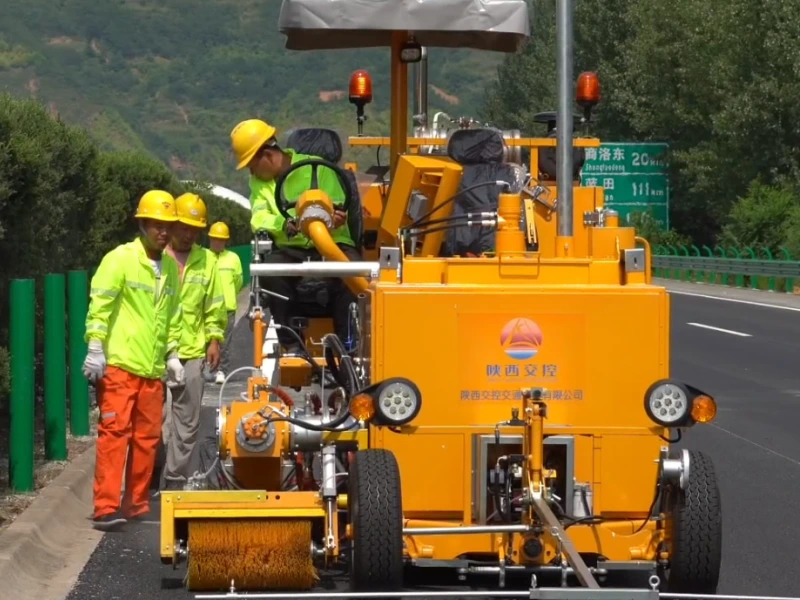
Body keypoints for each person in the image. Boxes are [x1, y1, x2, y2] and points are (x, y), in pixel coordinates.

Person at [82, 190, 184, 531]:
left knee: (147, 440)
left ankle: (136, 504)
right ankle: (106, 507)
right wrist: (95, 348)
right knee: (114, 435)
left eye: (168, 225)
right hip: (120, 367)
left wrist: (172, 353)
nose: (163, 232)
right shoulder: (120, 259)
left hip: (152, 371)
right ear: (142, 224)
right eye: (156, 225)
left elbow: (170, 316)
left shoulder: (169, 266)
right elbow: (100, 306)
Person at [229, 118, 359, 353]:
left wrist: (337, 217)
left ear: (267, 155)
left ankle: (346, 346)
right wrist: (284, 224)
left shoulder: (319, 168)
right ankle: (292, 344)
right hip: (293, 249)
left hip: (334, 242)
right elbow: (259, 217)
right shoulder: (260, 183)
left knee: (353, 274)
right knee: (272, 271)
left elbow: (340, 206)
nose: (251, 171)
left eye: (251, 164)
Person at [160, 193, 227, 491]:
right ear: (173, 225)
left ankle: (174, 479)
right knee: (155, 420)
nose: (188, 234)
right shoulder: (156, 257)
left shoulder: (207, 262)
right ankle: (150, 471)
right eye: (183, 227)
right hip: (155, 350)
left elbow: (214, 305)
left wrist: (214, 339)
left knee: (187, 421)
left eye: (194, 229)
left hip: (191, 350)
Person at [207, 221, 244, 384]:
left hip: (228, 307)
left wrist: (229, 295)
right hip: (207, 308)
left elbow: (238, 281)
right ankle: (208, 369)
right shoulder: (204, 257)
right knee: (206, 340)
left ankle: (222, 370)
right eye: (214, 239)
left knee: (225, 342)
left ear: (226, 241)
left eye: (220, 239)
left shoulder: (233, 258)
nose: (217, 242)